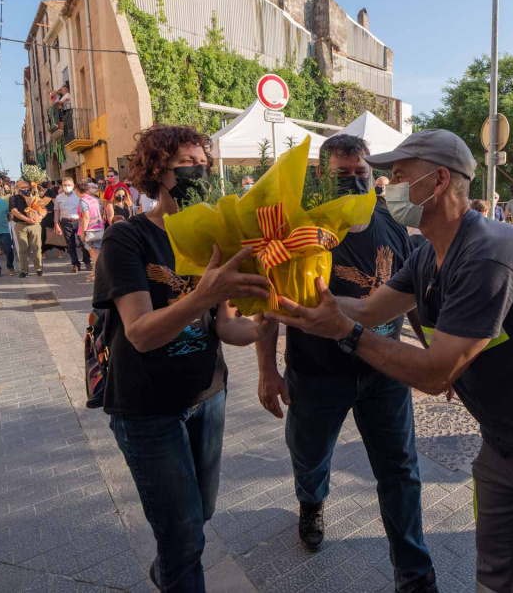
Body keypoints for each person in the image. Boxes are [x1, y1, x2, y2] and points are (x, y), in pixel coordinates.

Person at [265, 129, 513, 592]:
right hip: (505, 444)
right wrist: (287, 298)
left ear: (439, 180)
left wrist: (343, 332)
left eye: (400, 176)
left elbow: (433, 373)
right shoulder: (428, 253)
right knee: (498, 573)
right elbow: (369, 309)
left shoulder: (490, 252)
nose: (390, 186)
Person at [93, 124, 276, 593]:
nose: (200, 172)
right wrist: (202, 294)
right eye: (187, 165)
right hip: (146, 409)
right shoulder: (127, 239)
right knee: (184, 535)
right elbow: (140, 334)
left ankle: (170, 570)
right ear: (157, 172)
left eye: (204, 164)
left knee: (200, 514)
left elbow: (225, 325)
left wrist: (270, 323)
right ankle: (177, 571)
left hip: (207, 396)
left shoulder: (217, 234)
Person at [254, 134, 437, 592]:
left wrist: (434, 353)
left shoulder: (392, 224)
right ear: (321, 175)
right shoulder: (302, 228)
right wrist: (266, 370)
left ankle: (414, 574)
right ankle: (311, 502)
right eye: (343, 175)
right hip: (316, 374)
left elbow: (413, 298)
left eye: (361, 175)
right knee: (311, 455)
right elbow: (270, 303)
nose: (354, 183)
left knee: (400, 471)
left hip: (386, 371)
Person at [11, 180, 44, 277]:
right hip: (21, 225)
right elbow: (14, 211)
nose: (25, 189)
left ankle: (39, 268)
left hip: (34, 225)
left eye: (26, 187)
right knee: (23, 248)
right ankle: (24, 270)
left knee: (37, 247)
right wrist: (26, 219)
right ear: (17, 189)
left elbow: (43, 209)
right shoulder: (14, 198)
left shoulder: (35, 197)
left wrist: (40, 216)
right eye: (22, 188)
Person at [53, 177, 86, 273]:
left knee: (83, 242)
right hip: (66, 222)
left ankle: (87, 261)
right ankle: (75, 264)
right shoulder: (59, 197)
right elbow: (56, 212)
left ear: (73, 185)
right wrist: (56, 224)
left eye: (69, 185)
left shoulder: (78, 195)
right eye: (65, 185)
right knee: (70, 245)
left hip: (78, 221)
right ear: (62, 186)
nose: (67, 187)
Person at [76, 179, 104, 280]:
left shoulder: (84, 200)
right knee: (98, 251)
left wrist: (83, 232)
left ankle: (98, 274)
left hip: (90, 230)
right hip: (98, 227)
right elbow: (100, 212)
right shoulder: (94, 199)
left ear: (78, 190)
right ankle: (96, 272)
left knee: (94, 253)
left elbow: (86, 217)